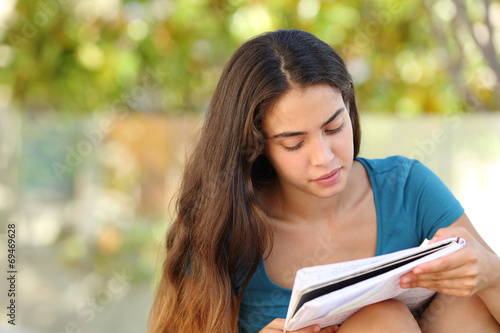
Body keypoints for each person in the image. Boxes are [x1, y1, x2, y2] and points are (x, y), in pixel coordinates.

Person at [148, 29, 500, 333]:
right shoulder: (224, 226)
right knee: (383, 319)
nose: (325, 157)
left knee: (454, 302)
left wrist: (491, 274)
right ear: (256, 144)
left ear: (348, 103)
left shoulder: (407, 187)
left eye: (334, 128)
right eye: (294, 143)